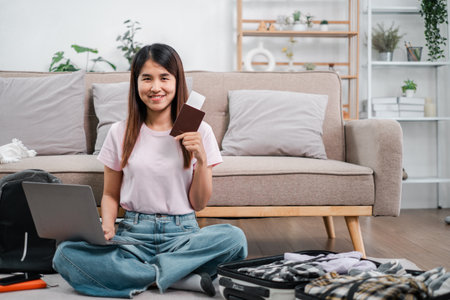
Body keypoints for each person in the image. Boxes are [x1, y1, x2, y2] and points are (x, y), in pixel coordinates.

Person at [52, 43, 248, 298]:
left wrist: (200, 156)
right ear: (136, 84)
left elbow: (199, 203)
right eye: (147, 78)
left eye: (164, 78)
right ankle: (178, 277)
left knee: (234, 239)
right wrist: (108, 226)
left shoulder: (200, 131)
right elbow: (111, 194)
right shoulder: (119, 132)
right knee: (65, 254)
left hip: (183, 236)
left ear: (177, 82)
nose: (156, 87)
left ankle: (140, 275)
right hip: (133, 236)